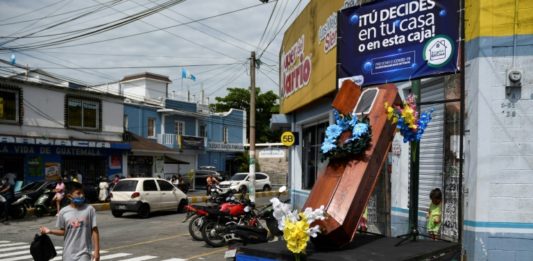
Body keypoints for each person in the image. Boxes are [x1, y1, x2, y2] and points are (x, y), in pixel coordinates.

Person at [40, 182, 100, 261]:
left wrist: (97, 251)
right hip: (68, 254)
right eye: (78, 193)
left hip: (84, 253)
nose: (82, 195)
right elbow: (63, 231)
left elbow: (94, 230)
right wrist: (49, 231)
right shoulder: (63, 212)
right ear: (69, 196)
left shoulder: (89, 209)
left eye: (82, 193)